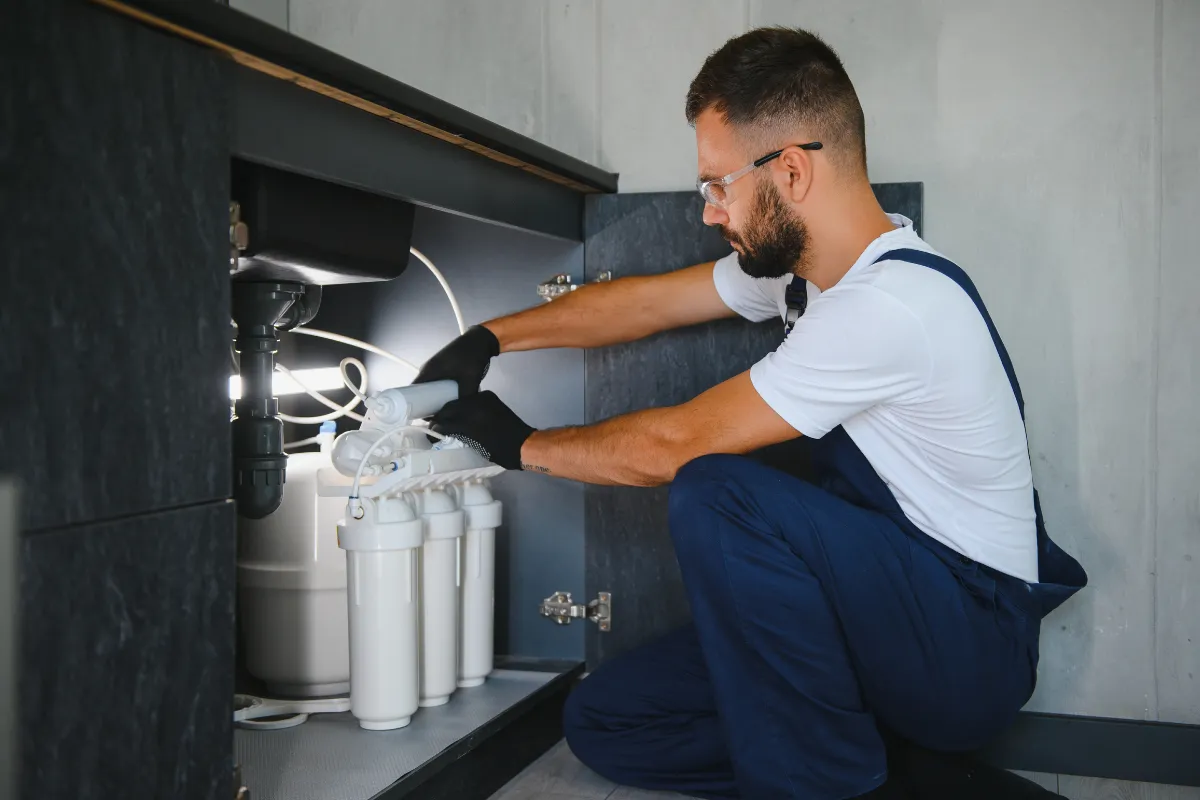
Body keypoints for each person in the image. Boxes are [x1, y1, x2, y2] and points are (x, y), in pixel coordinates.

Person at [414, 27, 1086, 800]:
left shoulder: (895, 305)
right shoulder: (804, 278)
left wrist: (518, 445)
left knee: (716, 490)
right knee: (606, 718)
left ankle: (828, 780)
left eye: (717, 185)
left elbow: (675, 445)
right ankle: (886, 771)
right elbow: (650, 304)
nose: (709, 211)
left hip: (963, 647)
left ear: (792, 170)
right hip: (869, 616)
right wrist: (490, 337)